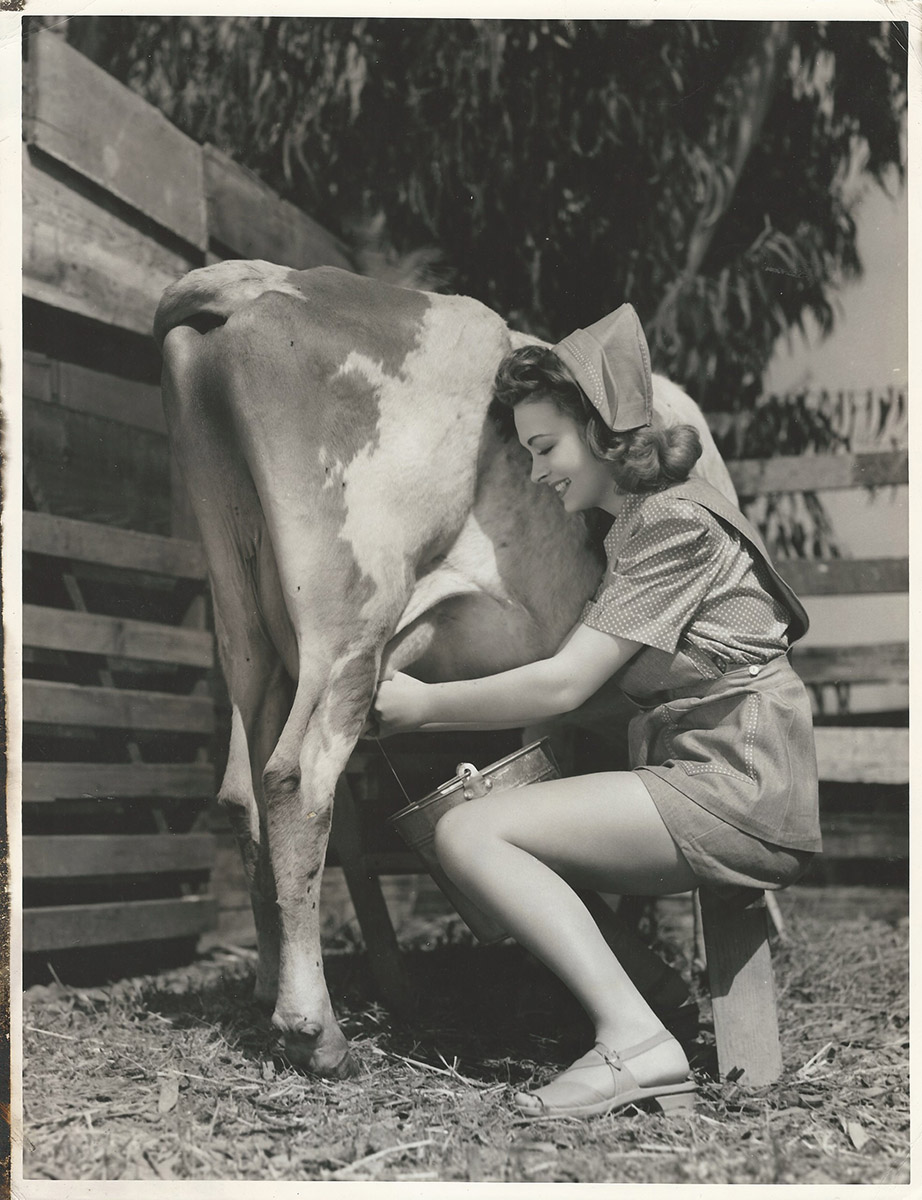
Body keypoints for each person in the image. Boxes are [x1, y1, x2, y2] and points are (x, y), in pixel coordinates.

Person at [372, 304, 821, 1121]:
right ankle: (660, 1012)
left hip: (738, 783)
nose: (538, 472)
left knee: (469, 833)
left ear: (603, 429)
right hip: (715, 771)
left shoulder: (671, 524)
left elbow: (563, 685)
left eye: (545, 448)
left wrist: (424, 705)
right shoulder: (639, 525)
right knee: (498, 819)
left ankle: (633, 1042)